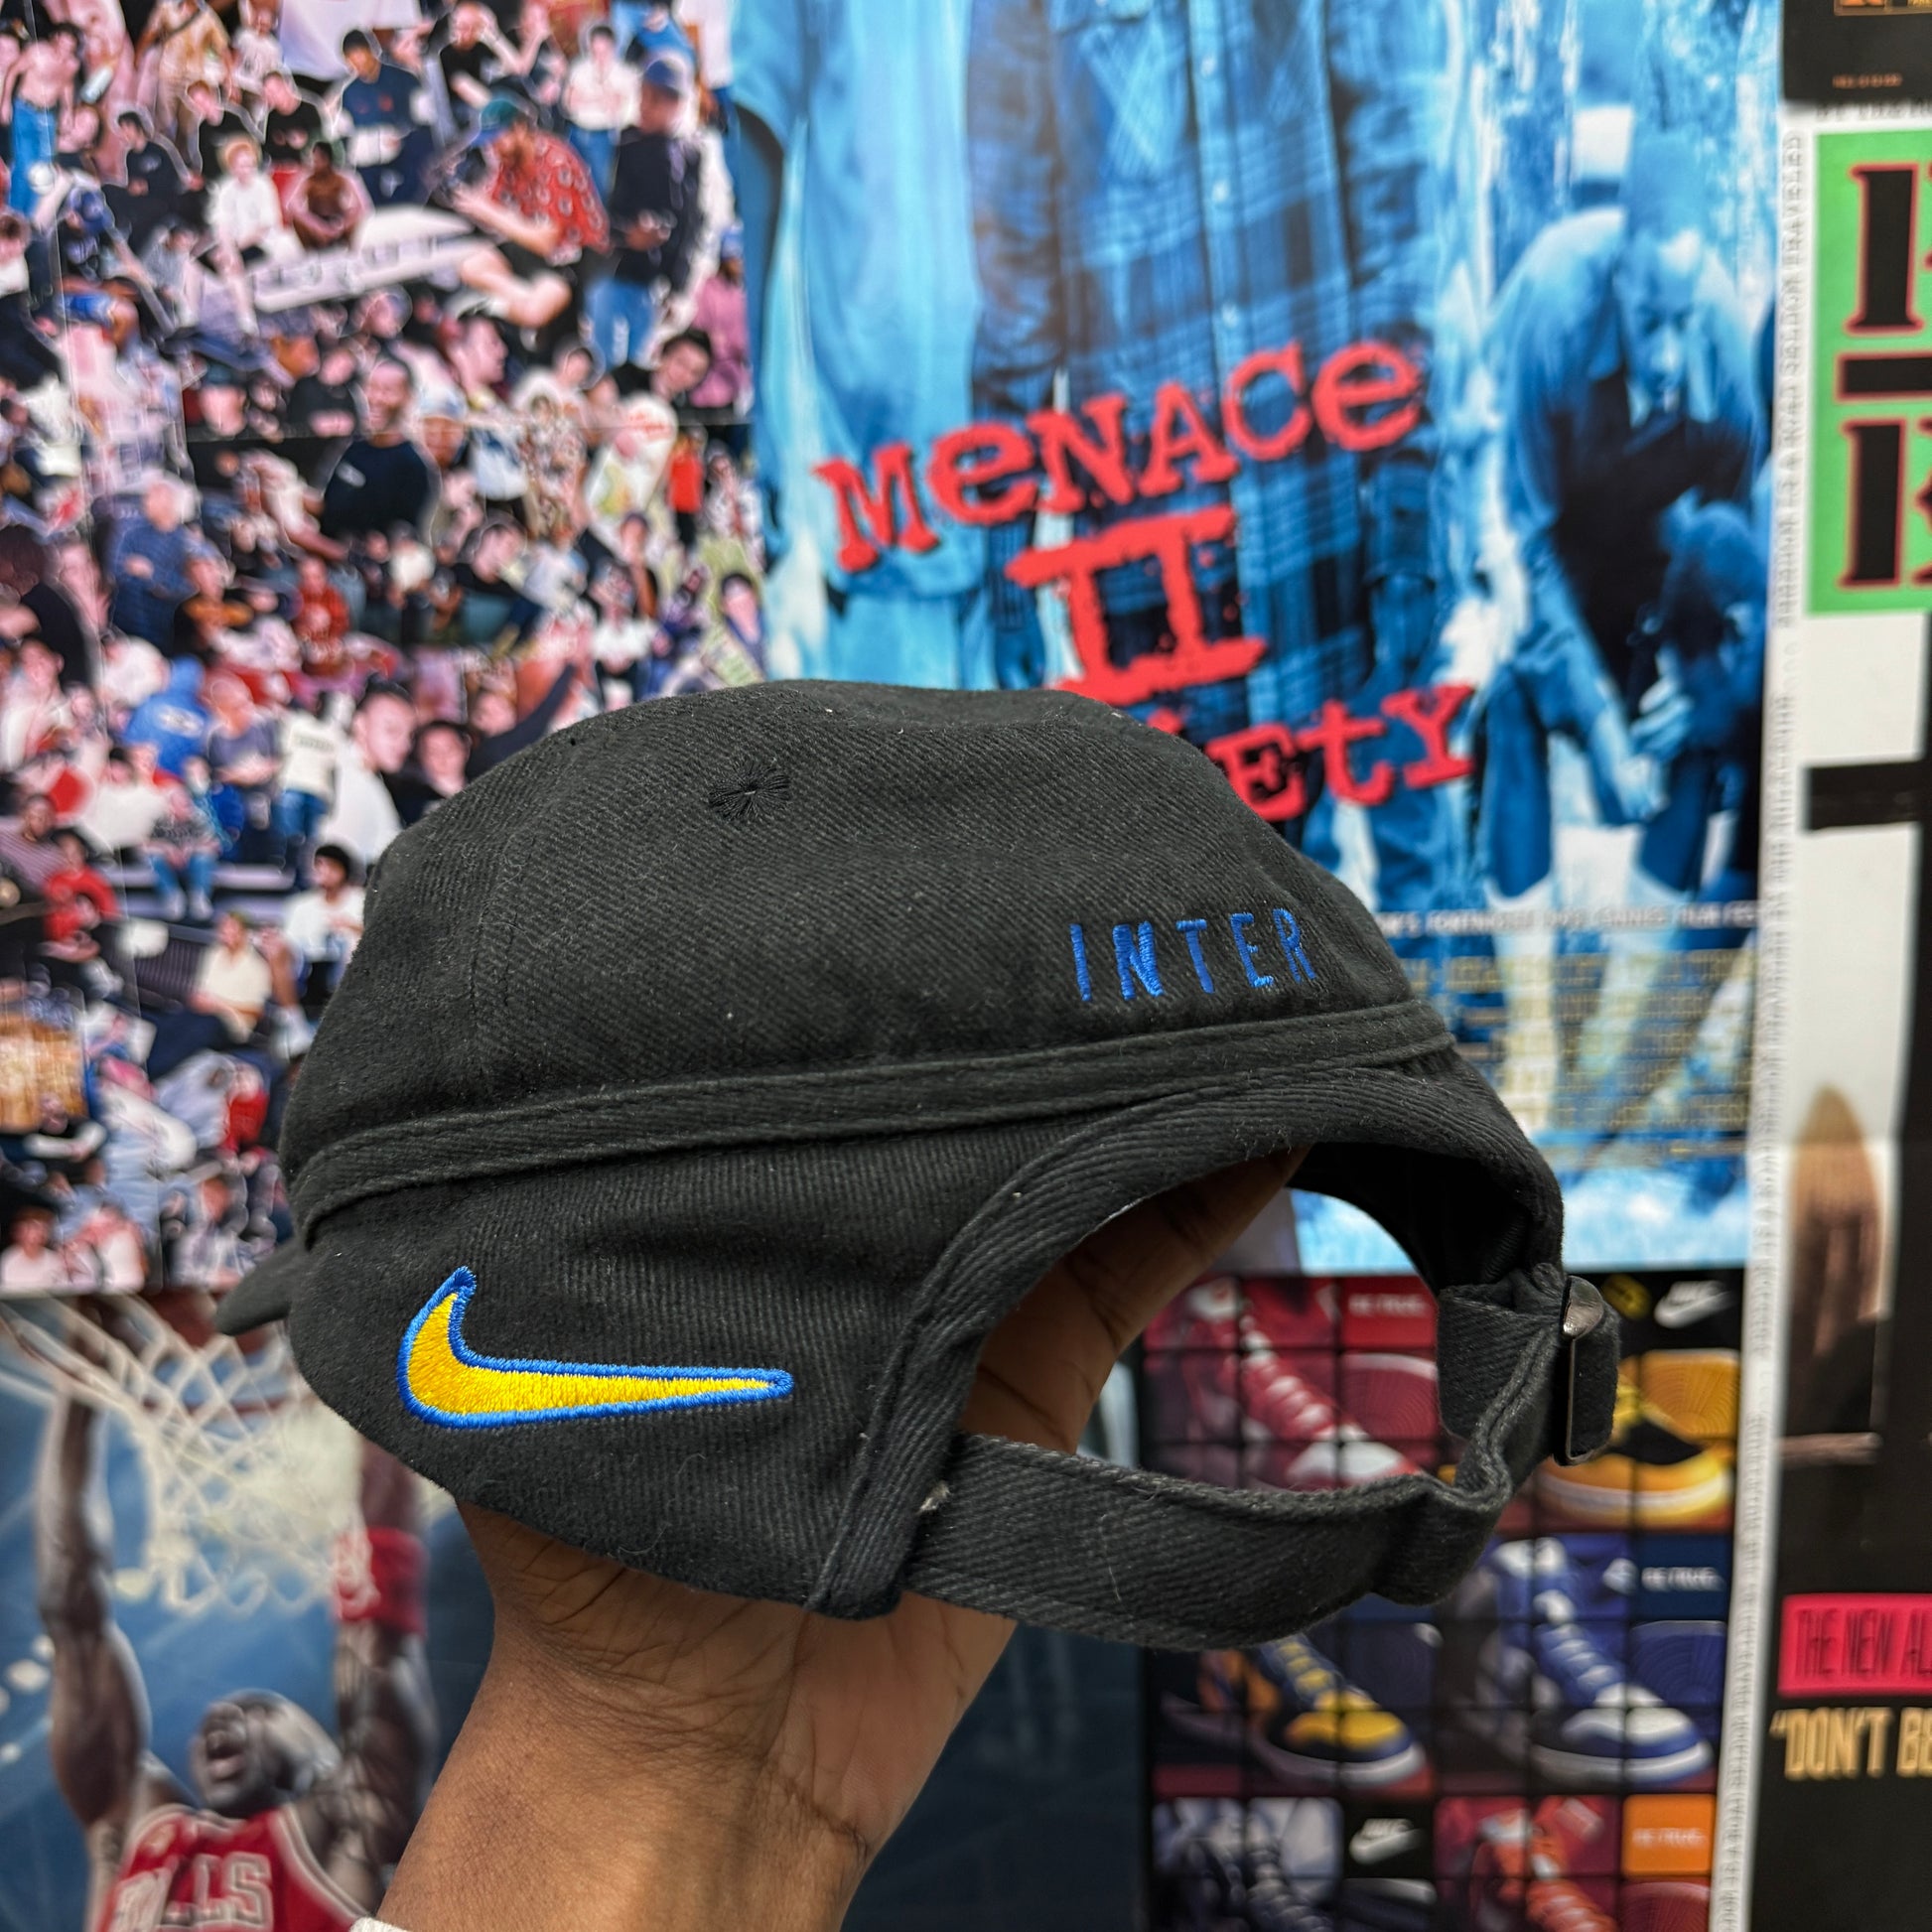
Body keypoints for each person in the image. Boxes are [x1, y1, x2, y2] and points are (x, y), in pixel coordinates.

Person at [37, 1383, 434, 1928]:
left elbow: (378, 1647)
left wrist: (379, 1396)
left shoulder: (343, 1835)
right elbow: (73, 1618)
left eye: (261, 1710)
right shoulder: (138, 1831)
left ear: (321, 1757)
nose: (222, 1714)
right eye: (221, 1715)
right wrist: (79, 1390)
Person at [448, 94, 610, 337]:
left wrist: (488, 211)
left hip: (572, 259)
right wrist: (466, 195)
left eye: (497, 139)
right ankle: (517, 298)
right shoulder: (507, 161)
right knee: (469, 266)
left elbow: (546, 241)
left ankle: (503, 307)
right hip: (530, 251)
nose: (492, 148)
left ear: (520, 128)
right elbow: (491, 206)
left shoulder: (554, 161)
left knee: (534, 311)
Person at [592, 55, 701, 369]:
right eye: (644, 94)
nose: (646, 105)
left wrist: (678, 287)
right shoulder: (622, 144)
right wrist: (627, 234)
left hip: (655, 287)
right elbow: (595, 208)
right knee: (602, 366)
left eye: (658, 99)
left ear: (678, 105)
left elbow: (691, 224)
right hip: (612, 272)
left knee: (638, 369)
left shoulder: (689, 153)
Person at [321, 359, 439, 542]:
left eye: (388, 390)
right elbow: (328, 509)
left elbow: (402, 540)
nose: (375, 398)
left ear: (408, 398)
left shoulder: (414, 467)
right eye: (372, 387)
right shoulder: (355, 447)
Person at [318, 680, 412, 866]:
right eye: (392, 730)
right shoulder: (339, 771)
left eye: (410, 734)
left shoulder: (372, 780)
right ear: (360, 725)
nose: (405, 744)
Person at [281, 838, 364, 1009]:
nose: (324, 871)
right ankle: (293, 1017)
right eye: (319, 865)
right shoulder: (300, 905)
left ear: (344, 870)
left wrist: (351, 927)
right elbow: (289, 944)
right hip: (309, 967)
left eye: (331, 866)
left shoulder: (360, 899)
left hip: (348, 966)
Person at [286, 140, 371, 252]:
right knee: (296, 219)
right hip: (315, 228)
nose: (315, 163)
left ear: (328, 158)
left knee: (355, 211)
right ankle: (311, 250)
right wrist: (318, 227)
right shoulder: (306, 180)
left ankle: (346, 245)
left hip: (338, 223)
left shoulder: (343, 177)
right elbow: (292, 206)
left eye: (319, 159)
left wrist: (342, 225)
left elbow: (363, 206)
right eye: (313, 159)